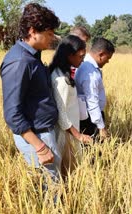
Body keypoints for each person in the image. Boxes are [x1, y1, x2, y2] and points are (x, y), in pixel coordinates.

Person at [0, 3, 62, 181]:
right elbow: (12, 114)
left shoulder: (33, 56)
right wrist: (40, 147)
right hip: (37, 136)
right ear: (33, 31)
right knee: (51, 191)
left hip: (44, 132)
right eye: (49, 34)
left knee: (52, 186)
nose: (52, 39)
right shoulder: (20, 62)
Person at [50, 35, 92, 176]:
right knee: (66, 172)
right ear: (69, 55)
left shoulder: (64, 73)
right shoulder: (61, 79)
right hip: (64, 136)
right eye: (80, 56)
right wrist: (78, 136)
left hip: (69, 132)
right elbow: (61, 114)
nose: (83, 60)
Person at [75, 38, 115, 139]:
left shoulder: (86, 65)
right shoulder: (89, 72)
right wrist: (101, 126)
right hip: (90, 119)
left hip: (89, 115)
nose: (108, 61)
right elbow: (91, 101)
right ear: (101, 54)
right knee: (93, 149)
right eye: (108, 58)